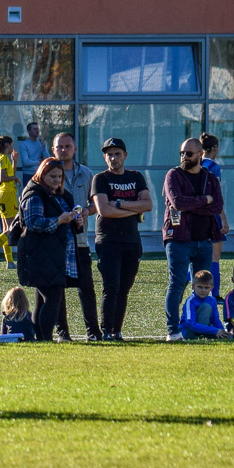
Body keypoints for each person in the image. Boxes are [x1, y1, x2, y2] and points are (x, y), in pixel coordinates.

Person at [162, 137, 224, 341]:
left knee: (203, 286)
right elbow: (178, 203)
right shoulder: (173, 175)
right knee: (177, 283)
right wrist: (204, 200)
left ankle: (201, 329)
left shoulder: (210, 178)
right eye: (181, 153)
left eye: (188, 153)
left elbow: (217, 206)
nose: (184, 157)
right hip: (178, 239)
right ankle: (173, 331)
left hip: (204, 240)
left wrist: (194, 205)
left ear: (200, 155)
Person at [89, 138, 151, 342]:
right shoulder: (100, 179)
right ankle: (106, 330)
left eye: (117, 154)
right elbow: (104, 210)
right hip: (108, 240)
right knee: (111, 287)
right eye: (109, 154)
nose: (113, 158)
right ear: (104, 157)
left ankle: (117, 330)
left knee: (124, 288)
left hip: (131, 240)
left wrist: (119, 204)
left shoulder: (136, 176)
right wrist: (133, 209)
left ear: (125, 155)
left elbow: (148, 204)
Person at [17, 157, 81, 342]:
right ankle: (45, 338)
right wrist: (58, 220)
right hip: (39, 254)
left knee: (44, 297)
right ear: (42, 175)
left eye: (60, 177)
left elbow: (66, 223)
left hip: (56, 253)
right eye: (52, 176)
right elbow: (32, 222)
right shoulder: (35, 194)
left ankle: (42, 337)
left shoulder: (61, 195)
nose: (57, 180)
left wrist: (77, 222)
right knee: (53, 296)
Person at [51, 132, 101, 341]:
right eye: (59, 147)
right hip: (55, 241)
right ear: (53, 150)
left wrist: (87, 211)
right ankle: (62, 332)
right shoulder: (47, 173)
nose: (63, 150)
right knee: (57, 289)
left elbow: (97, 203)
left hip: (80, 240)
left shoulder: (86, 173)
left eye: (67, 146)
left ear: (75, 149)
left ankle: (93, 332)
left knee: (86, 287)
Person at [198, 131, 229, 294]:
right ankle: (215, 293)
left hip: (196, 215)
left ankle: (192, 287)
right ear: (215, 148)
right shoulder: (213, 167)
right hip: (211, 215)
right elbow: (216, 196)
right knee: (214, 257)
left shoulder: (196, 165)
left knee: (196, 255)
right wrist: (224, 219)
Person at [0, 135, 19, 266]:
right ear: (7, 145)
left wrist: (15, 162)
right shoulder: (3, 158)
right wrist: (15, 178)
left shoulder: (2, 158)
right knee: (11, 229)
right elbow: (3, 178)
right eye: (11, 144)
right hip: (7, 195)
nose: (12, 147)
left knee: (6, 229)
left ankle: (10, 261)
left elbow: (9, 174)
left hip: (4, 194)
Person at [178, 270, 224, 339]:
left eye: (206, 287)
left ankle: (203, 335)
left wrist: (222, 330)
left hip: (206, 328)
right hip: (188, 330)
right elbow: (190, 323)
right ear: (193, 286)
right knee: (206, 307)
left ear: (211, 288)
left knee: (226, 336)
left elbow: (216, 320)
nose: (203, 290)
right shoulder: (190, 301)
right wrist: (214, 330)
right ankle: (201, 335)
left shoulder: (212, 300)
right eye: (200, 287)